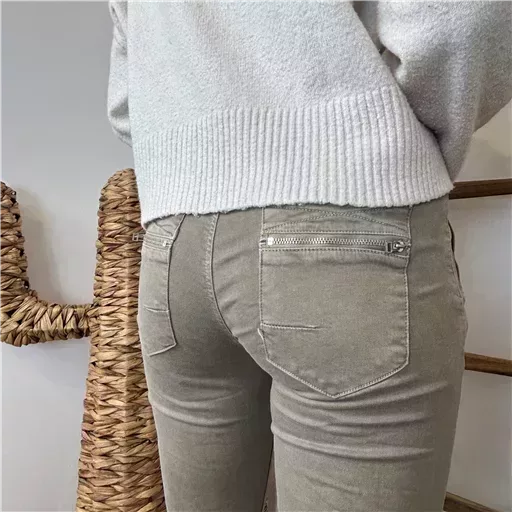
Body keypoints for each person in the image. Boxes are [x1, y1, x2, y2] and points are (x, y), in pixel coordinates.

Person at [107, 1, 511, 511]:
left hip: (175, 248)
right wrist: (388, 138)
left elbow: (126, 102)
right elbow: (461, 20)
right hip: (346, 217)